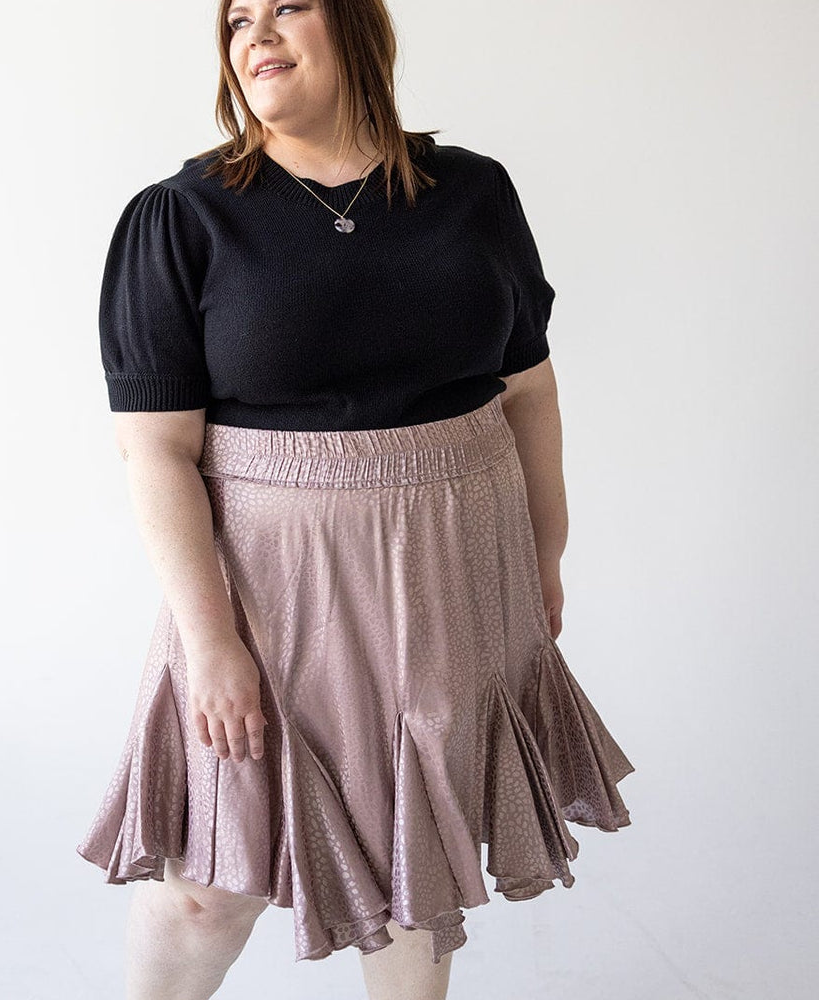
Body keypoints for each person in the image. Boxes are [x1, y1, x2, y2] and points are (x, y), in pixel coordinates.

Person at [76, 1, 636, 997]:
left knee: (413, 866)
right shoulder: (183, 216)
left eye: (285, 5)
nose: (254, 31)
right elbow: (155, 453)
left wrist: (546, 556)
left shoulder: (471, 192)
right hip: (272, 591)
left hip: (456, 570)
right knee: (210, 882)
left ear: (357, 27)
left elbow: (529, 392)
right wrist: (210, 646)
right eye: (237, 17)